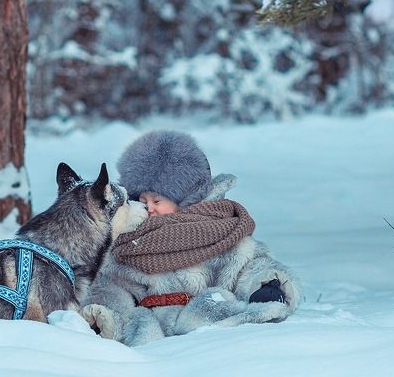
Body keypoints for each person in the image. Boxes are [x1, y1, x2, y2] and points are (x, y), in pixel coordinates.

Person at [81, 130, 300, 346]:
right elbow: (112, 286)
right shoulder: (127, 243)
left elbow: (251, 266)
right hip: (152, 334)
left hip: (208, 330)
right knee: (138, 322)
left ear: (185, 199)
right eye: (142, 199)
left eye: (157, 201)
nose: (148, 208)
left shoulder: (221, 233)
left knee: (214, 300)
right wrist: (109, 315)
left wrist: (266, 285)